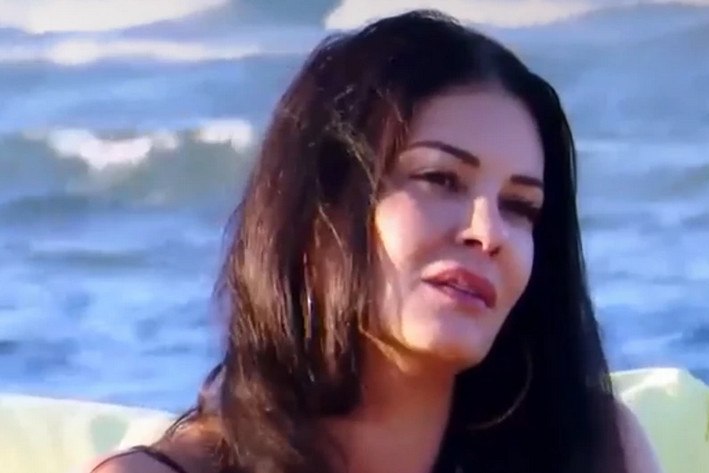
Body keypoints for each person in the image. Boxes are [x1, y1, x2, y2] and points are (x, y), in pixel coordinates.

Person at [89, 9, 662, 473]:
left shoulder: (593, 450)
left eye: (520, 207)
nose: (488, 233)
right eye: (440, 179)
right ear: (319, 204)